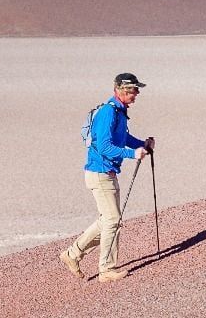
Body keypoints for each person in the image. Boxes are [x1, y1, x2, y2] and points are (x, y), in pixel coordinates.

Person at [59, 72, 153, 283]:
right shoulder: (108, 113)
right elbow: (104, 146)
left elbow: (123, 138)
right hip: (100, 173)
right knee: (112, 221)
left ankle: (72, 255)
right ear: (121, 90)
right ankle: (106, 269)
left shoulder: (119, 112)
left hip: (107, 173)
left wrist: (141, 145)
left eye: (137, 90)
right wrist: (132, 154)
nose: (136, 94)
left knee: (107, 220)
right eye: (133, 90)